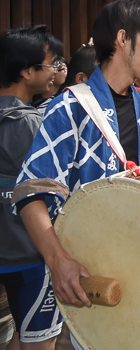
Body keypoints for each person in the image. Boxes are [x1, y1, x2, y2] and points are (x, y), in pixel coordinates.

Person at [16, 0, 140, 312]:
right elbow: (32, 192)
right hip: (91, 267)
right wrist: (58, 262)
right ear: (123, 39)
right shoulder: (71, 107)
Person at [1, 25, 65, 349]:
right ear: (27, 72)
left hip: (5, 253)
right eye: (51, 64)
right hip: (32, 254)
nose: (56, 71)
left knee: (19, 335)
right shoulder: (31, 123)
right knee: (41, 341)